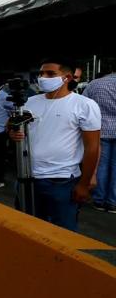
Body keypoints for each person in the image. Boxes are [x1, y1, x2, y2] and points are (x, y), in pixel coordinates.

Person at [9, 60, 101, 231]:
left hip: (62, 181)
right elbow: (12, 126)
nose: (43, 78)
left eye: (50, 74)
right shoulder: (29, 102)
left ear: (66, 78)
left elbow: (92, 147)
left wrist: (84, 183)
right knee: (27, 229)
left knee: (63, 232)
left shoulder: (84, 105)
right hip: (28, 178)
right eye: (41, 74)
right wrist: (12, 132)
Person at [83, 70, 116, 212]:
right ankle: (113, 201)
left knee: (101, 165)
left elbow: (83, 103)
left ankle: (99, 200)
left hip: (99, 129)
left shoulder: (93, 84)